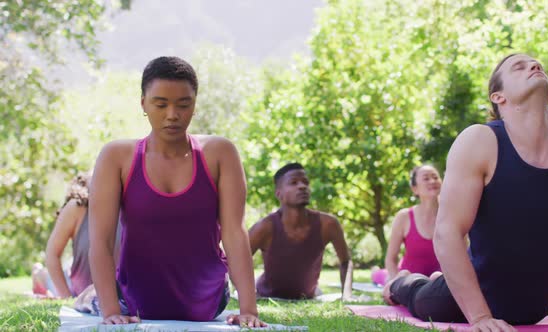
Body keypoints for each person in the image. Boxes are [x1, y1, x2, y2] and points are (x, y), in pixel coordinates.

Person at [383, 53, 548, 331]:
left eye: (537, 64)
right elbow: (448, 233)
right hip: (471, 298)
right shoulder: (479, 141)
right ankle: (402, 282)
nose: (534, 65)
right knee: (421, 298)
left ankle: (436, 278)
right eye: (519, 66)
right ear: (498, 96)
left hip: (538, 306)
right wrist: (480, 318)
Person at [88, 56, 264, 327]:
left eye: (184, 104)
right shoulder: (116, 157)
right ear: (143, 104)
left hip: (208, 302)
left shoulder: (220, 153)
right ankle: (90, 299)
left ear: (194, 105)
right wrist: (111, 312)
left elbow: (234, 233)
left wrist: (248, 309)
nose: (172, 114)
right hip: (132, 302)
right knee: (92, 301)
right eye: (161, 104)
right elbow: (101, 240)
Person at [248, 163, 352, 299]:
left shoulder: (328, 224)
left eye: (305, 182)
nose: (302, 186)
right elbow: (235, 260)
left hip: (310, 296)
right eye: (293, 182)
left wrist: (347, 295)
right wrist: (249, 295)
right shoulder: (265, 227)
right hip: (266, 296)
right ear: (279, 193)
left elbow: (346, 262)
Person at [372, 165, 442, 287]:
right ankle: (376, 272)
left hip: (437, 281)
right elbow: (390, 258)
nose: (432, 181)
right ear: (415, 189)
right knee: (383, 277)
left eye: (435, 177)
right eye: (426, 178)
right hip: (407, 280)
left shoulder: (452, 215)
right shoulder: (404, 217)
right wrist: (395, 282)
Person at [32, 172, 97, 298]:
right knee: (41, 275)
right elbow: (52, 254)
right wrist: (66, 297)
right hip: (75, 286)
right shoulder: (77, 207)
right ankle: (39, 274)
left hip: (82, 271)